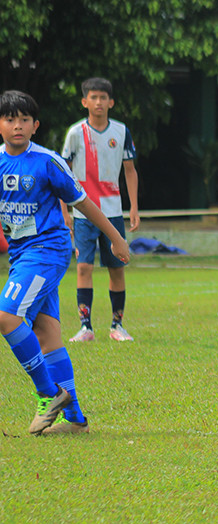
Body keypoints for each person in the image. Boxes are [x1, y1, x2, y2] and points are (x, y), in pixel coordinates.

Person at [1, 89, 130, 435]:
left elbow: (84, 204)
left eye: (24, 120)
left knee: (6, 316)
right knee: (48, 336)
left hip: (47, 250)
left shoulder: (47, 161)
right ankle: (74, 420)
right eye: (10, 119)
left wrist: (116, 238)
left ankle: (49, 393)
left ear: (35, 125)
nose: (17, 126)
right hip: (20, 255)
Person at [60, 77, 140, 342]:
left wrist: (134, 208)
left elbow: (130, 171)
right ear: (84, 102)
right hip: (83, 213)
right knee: (84, 267)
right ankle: (86, 327)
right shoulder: (74, 133)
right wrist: (64, 211)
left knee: (117, 267)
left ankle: (117, 326)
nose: (98, 102)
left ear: (111, 102)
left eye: (103, 97)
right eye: (93, 97)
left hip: (113, 212)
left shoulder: (121, 131)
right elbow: (63, 175)